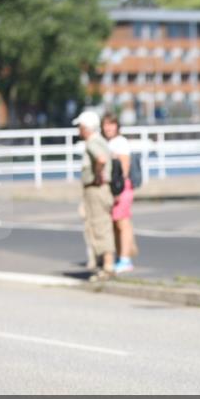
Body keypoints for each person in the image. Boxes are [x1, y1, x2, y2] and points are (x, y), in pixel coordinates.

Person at [74, 109, 116, 281]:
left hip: (96, 189)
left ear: (86, 127)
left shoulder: (93, 142)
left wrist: (98, 175)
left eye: (80, 126)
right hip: (98, 189)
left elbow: (101, 159)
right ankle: (103, 265)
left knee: (99, 226)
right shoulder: (99, 141)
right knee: (98, 225)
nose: (78, 130)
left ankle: (107, 266)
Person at [101, 113, 138, 274]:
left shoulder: (120, 143)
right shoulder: (107, 143)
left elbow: (124, 168)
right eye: (105, 124)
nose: (108, 128)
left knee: (123, 223)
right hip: (113, 188)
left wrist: (117, 189)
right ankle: (121, 255)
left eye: (111, 124)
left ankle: (125, 259)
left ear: (117, 126)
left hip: (121, 187)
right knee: (115, 224)